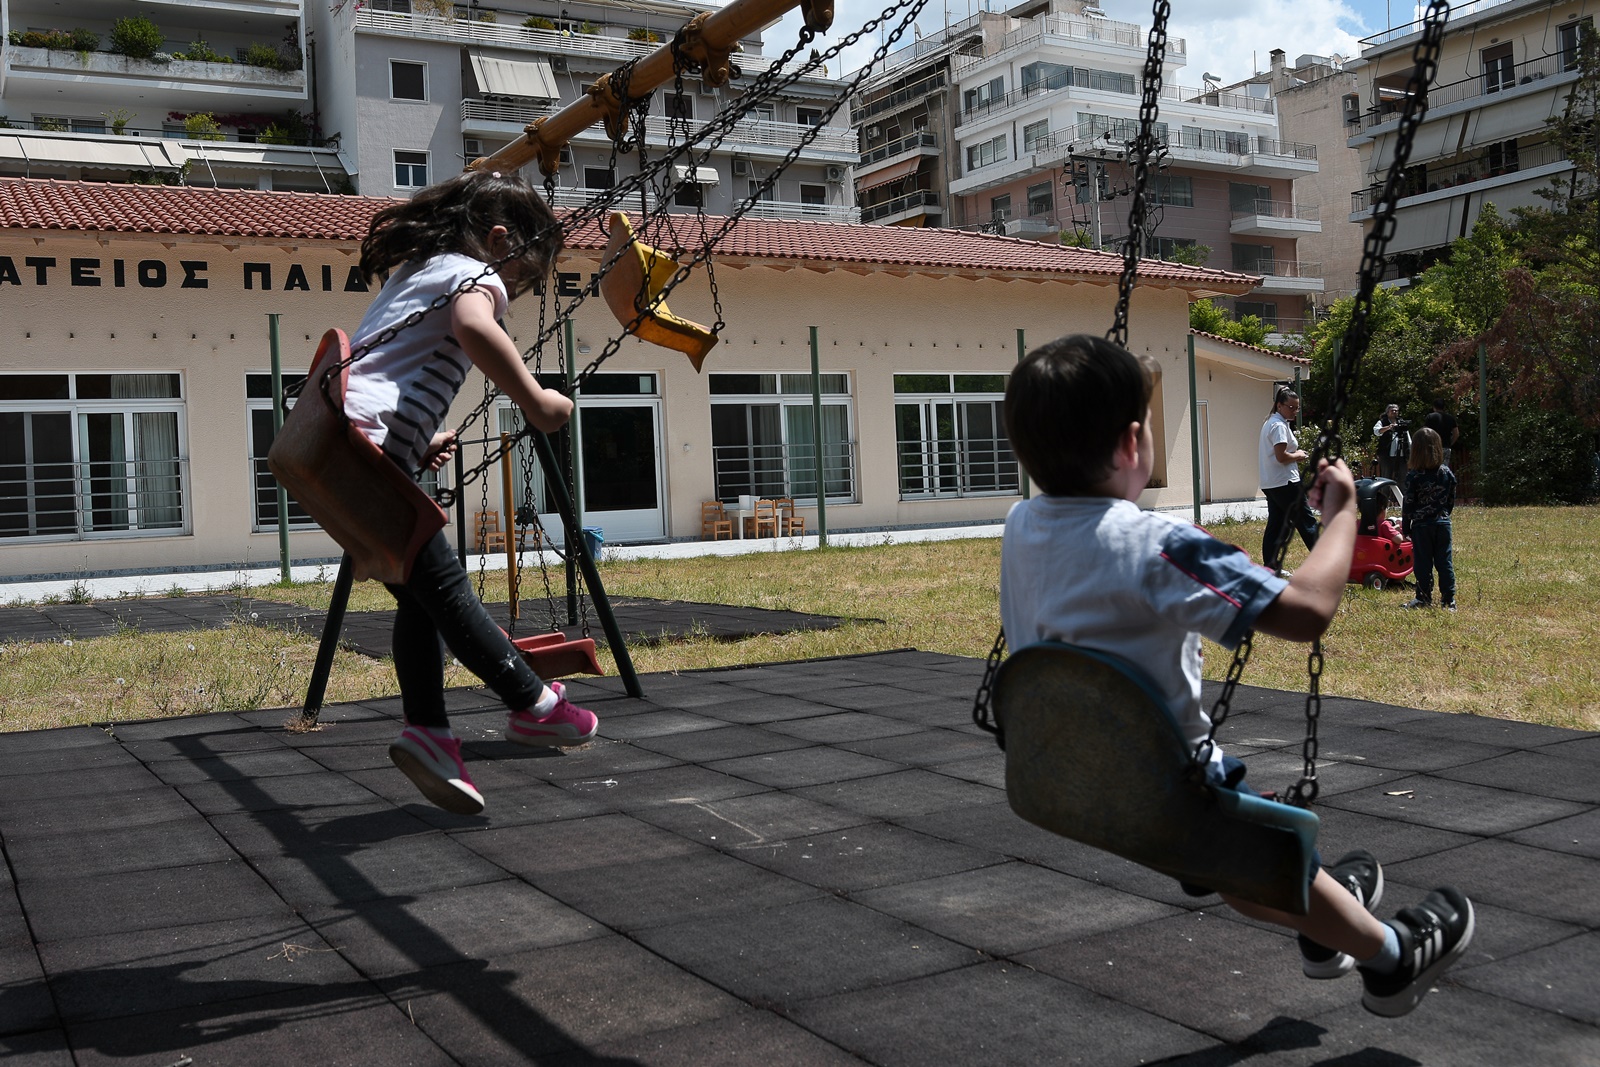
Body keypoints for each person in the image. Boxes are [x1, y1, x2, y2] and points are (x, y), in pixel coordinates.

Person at [1000, 335, 1474, 1018]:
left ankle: (1321, 926)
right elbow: (1307, 610)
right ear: (1134, 443)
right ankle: (1391, 956)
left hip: (1061, 781)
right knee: (1241, 846)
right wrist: (1339, 518)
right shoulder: (1154, 544)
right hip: (1167, 792)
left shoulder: (1020, 525)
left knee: (1236, 854)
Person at [344, 170, 599, 815]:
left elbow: (387, 366)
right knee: (451, 594)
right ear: (498, 239)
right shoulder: (471, 275)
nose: (513, 290)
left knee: (421, 600)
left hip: (337, 449)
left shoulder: (415, 274)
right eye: (521, 278)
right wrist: (536, 400)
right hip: (367, 453)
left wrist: (416, 441)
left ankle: (429, 733)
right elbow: (473, 323)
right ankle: (535, 704)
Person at [1258, 386, 1319, 571]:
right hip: (1286, 482)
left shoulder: (1273, 422)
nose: (1294, 411)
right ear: (1279, 405)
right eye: (1290, 407)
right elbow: (1281, 456)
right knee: (1307, 522)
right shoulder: (1278, 425)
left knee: (1276, 525)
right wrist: (1299, 455)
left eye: (1297, 408)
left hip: (1271, 482)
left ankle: (1270, 566)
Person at [1402, 427, 1458, 611]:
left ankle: (1423, 597)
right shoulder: (1446, 473)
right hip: (1442, 523)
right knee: (1444, 561)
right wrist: (1443, 514)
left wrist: (1406, 526)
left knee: (1423, 563)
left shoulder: (1414, 476)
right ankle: (1448, 600)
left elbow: (1408, 503)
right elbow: (1451, 498)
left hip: (1421, 526)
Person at [1373, 403, 1411, 483]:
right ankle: (1385, 495)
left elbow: (1408, 438)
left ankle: (1401, 495)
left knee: (1402, 477)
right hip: (1387, 455)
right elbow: (1376, 431)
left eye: (1396, 410)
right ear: (1387, 412)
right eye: (1392, 410)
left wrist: (1410, 451)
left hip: (1401, 454)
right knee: (1386, 477)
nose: (1394, 412)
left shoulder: (1401, 422)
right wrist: (1388, 427)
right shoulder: (1383, 421)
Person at [1424, 398, 1459, 467]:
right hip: (1446, 446)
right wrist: (1450, 443)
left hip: (1433, 446)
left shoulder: (1430, 417)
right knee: (1444, 468)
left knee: (1432, 468)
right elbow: (1456, 433)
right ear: (1444, 407)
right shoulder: (1450, 418)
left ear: (1434, 407)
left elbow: (1425, 432)